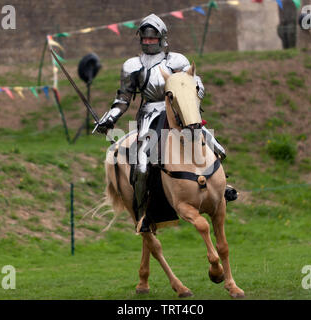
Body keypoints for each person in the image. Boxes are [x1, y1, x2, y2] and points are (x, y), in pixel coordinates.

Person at [95, 14, 235, 229]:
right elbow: (122, 99)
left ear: (162, 39)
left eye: (153, 38)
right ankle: (144, 214)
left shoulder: (177, 61)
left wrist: (191, 94)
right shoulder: (132, 65)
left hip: (178, 111)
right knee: (141, 165)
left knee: (216, 148)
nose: (149, 42)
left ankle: (220, 188)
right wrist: (110, 117)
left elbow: (196, 84)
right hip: (150, 115)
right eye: (145, 39)